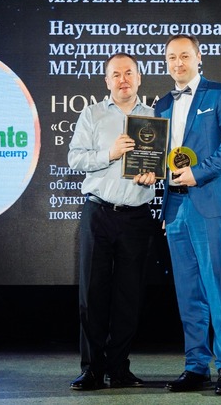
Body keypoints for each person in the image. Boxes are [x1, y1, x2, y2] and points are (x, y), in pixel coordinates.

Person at [155, 34, 221, 396]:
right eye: (171, 57)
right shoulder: (163, 104)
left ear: (198, 58)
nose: (177, 63)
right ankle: (196, 366)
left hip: (209, 202)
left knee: (217, 286)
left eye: (184, 56)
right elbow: (159, 156)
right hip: (176, 206)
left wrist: (199, 172)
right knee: (188, 292)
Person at [67, 52, 156, 390]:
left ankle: (118, 369)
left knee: (128, 296)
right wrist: (110, 154)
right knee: (93, 294)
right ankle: (92, 369)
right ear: (107, 81)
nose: (123, 80)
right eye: (116, 74)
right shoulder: (92, 114)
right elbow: (74, 158)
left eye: (129, 73)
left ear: (139, 77)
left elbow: (163, 162)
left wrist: (155, 174)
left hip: (137, 217)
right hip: (99, 214)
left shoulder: (154, 117)